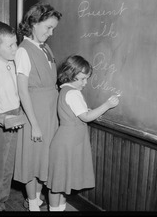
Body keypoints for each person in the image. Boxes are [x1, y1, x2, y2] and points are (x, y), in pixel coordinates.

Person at [46, 55, 120, 211]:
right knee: (57, 183)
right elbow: (86, 118)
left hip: (68, 141)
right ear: (70, 74)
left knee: (61, 181)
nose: (85, 83)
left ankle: (59, 208)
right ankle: (55, 209)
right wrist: (107, 104)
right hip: (68, 143)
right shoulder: (73, 93)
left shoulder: (66, 89)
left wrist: (86, 110)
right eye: (82, 79)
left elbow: (76, 112)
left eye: (87, 78)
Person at [13, 3, 62, 211]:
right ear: (33, 22)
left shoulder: (45, 47)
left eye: (53, 29)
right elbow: (23, 91)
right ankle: (32, 203)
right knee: (32, 160)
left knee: (45, 159)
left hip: (50, 112)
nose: (50, 33)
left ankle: (39, 198)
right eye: (48, 27)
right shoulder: (23, 51)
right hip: (36, 113)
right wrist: (34, 124)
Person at [0, 21, 24, 211]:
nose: (15, 48)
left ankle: (2, 202)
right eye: (10, 45)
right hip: (0, 123)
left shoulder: (13, 64)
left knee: (9, 167)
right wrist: (4, 119)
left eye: (16, 43)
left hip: (15, 116)